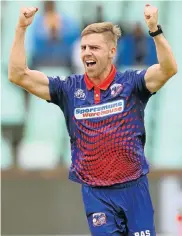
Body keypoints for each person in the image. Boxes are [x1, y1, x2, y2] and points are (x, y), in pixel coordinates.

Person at [9, 4, 177, 236]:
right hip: (97, 194)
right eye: (84, 47)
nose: (87, 52)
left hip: (134, 189)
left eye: (95, 47)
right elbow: (18, 75)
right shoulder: (69, 89)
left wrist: (154, 30)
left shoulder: (132, 84)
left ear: (111, 51)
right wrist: (20, 28)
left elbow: (168, 69)